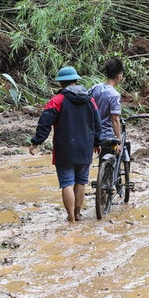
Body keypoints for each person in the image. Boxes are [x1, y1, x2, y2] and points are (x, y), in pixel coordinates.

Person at [29, 66, 101, 223]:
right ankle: (78, 214)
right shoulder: (90, 100)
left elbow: (45, 123)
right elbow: (97, 122)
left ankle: (70, 218)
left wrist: (36, 142)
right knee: (81, 181)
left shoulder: (57, 100)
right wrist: (97, 142)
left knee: (67, 183)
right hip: (85, 147)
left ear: (61, 83)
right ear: (76, 80)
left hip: (65, 148)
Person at [90, 58, 124, 157]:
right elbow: (115, 119)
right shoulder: (115, 95)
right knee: (108, 160)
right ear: (118, 77)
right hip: (107, 136)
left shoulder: (95, 88)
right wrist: (119, 141)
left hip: (92, 133)